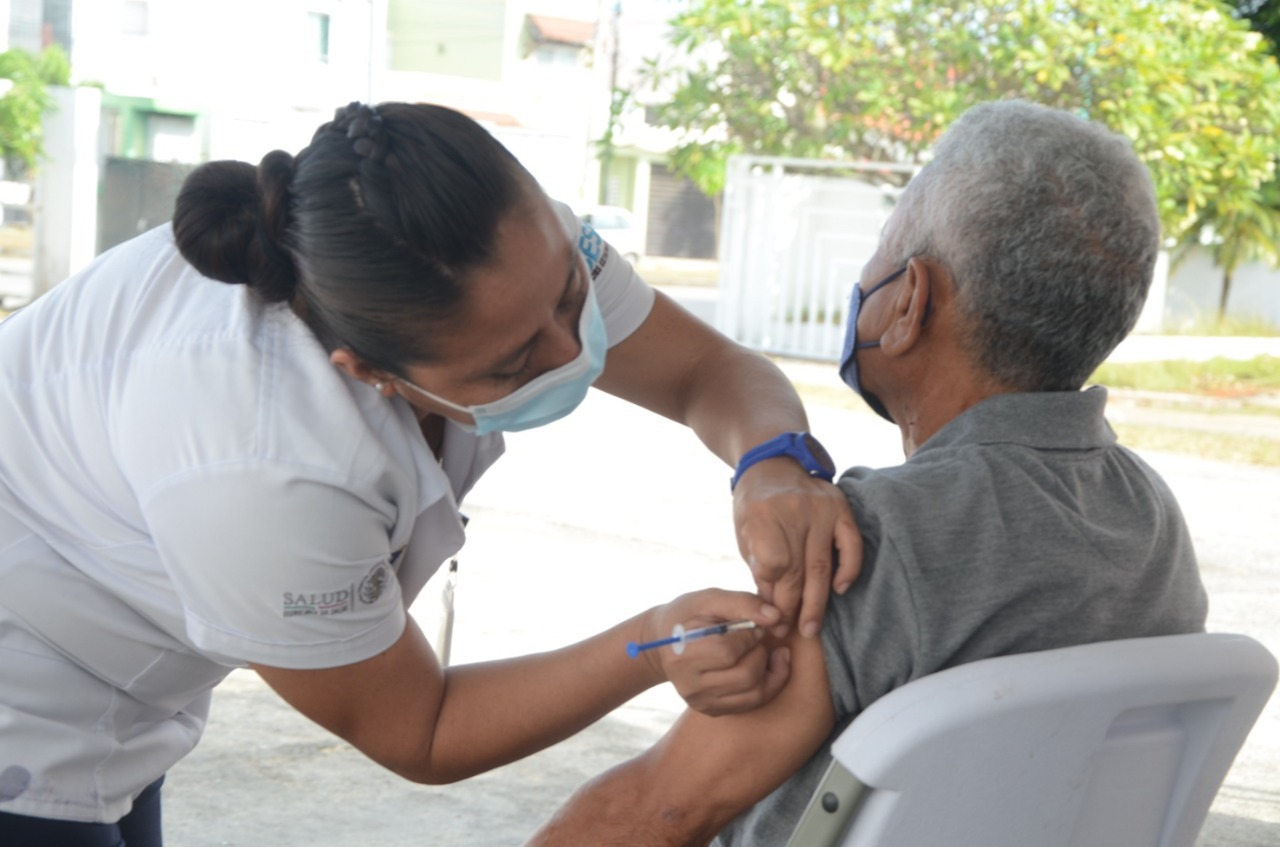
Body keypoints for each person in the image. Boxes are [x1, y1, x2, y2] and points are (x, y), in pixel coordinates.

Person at [0, 101, 861, 844]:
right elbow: (420, 726)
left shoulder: (498, 247)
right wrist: (654, 641)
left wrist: (772, 462)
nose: (574, 352)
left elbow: (706, 370)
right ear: (370, 371)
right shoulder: (263, 463)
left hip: (128, 668)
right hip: (27, 696)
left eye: (570, 295)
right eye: (515, 360)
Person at [525, 99, 1210, 847]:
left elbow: (655, 814)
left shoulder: (876, 538)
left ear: (908, 301)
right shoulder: (1153, 523)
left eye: (883, 249)